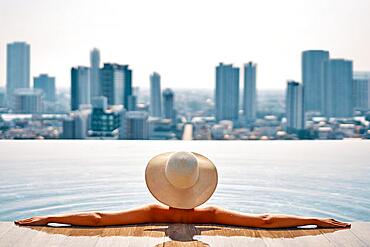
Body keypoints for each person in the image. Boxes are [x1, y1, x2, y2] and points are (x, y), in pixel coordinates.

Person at [15, 152, 350, 229]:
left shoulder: (151, 213)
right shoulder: (212, 214)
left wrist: (48, 218)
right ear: (198, 185)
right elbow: (264, 221)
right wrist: (316, 221)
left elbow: (98, 218)